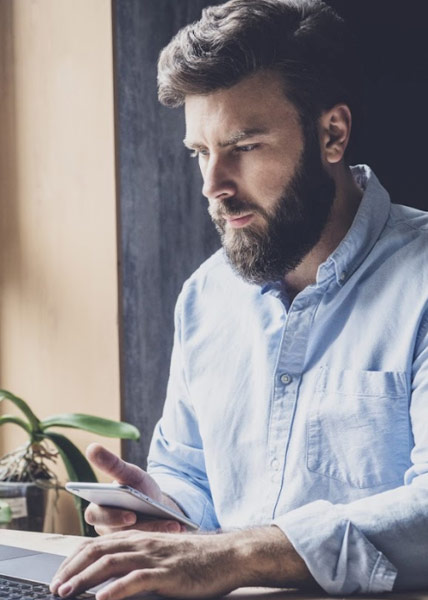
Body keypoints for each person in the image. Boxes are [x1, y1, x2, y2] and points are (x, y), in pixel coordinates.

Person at [51, 0, 428, 598]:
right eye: (200, 153)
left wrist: (236, 554)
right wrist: (164, 513)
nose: (213, 186)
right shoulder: (206, 295)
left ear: (331, 133)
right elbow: (193, 478)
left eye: (244, 146)